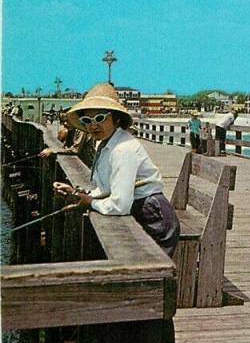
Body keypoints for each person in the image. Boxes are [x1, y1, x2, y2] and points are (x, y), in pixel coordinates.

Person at [52, 83, 180, 255]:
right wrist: (77, 192)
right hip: (137, 209)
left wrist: (90, 202)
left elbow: (120, 205)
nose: (93, 125)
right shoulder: (106, 144)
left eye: (100, 118)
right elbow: (107, 189)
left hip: (153, 216)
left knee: (147, 274)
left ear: (116, 118)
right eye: (87, 121)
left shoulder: (123, 148)